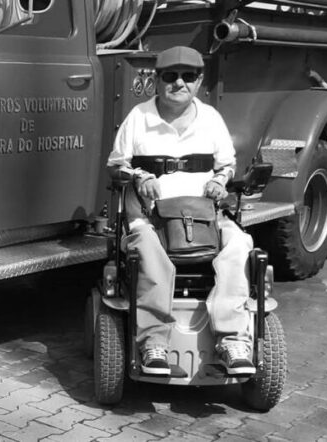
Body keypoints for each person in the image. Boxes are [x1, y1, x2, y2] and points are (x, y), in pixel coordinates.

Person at [107, 46, 255, 376]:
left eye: (188, 76)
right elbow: (116, 166)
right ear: (157, 80)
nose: (179, 83)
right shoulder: (139, 118)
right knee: (146, 247)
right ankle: (153, 343)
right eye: (171, 76)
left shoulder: (211, 119)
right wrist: (140, 176)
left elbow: (228, 165)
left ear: (199, 81)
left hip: (204, 218)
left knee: (240, 244)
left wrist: (219, 180)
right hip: (150, 218)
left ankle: (232, 339)